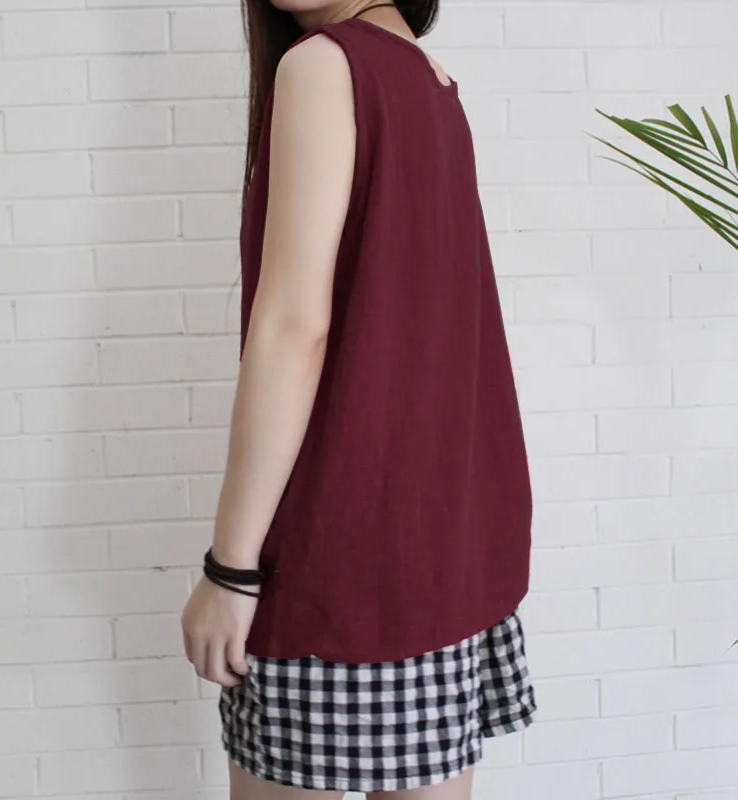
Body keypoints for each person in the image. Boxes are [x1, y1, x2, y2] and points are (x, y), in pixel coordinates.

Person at [181, 1, 537, 797]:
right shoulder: (433, 83)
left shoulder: (323, 67)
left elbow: (293, 329)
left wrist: (230, 570)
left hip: (340, 551)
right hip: (444, 542)